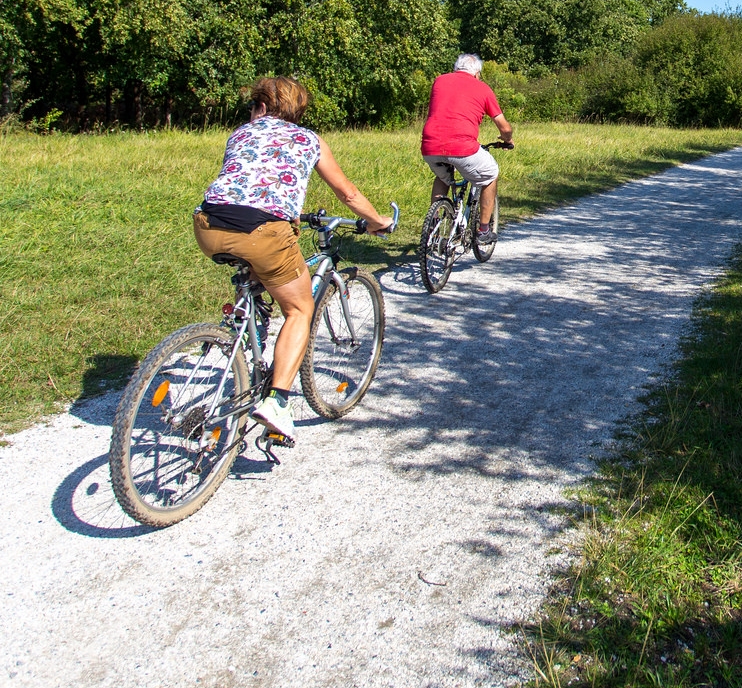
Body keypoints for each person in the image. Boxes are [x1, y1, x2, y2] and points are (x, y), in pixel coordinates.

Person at [193, 76, 392, 443]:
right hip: (263, 232)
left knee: (261, 273)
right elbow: (347, 193)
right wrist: (377, 221)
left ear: (263, 107)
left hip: (208, 224)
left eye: (254, 106)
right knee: (299, 308)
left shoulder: (240, 132)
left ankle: (246, 331)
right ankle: (278, 402)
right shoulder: (308, 139)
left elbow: (247, 185)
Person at [421, 54, 513, 245]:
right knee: (490, 174)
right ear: (477, 73)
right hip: (463, 146)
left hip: (430, 146)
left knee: (443, 177)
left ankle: (434, 224)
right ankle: (483, 231)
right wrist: (507, 140)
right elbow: (504, 127)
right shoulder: (483, 88)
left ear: (456, 68)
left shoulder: (439, 81)